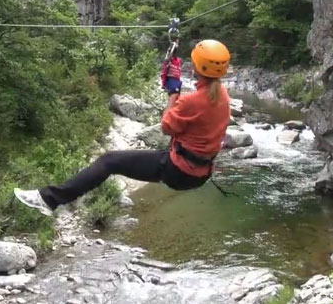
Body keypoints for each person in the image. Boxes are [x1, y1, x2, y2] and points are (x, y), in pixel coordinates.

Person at [14, 39, 232, 216]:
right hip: (199, 173)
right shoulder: (223, 96)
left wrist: (173, 94)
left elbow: (167, 126)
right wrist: (178, 94)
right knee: (115, 161)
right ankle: (50, 198)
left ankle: (48, 199)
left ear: (196, 67)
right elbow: (198, 115)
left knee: (109, 161)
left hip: (178, 172)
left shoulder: (191, 101)